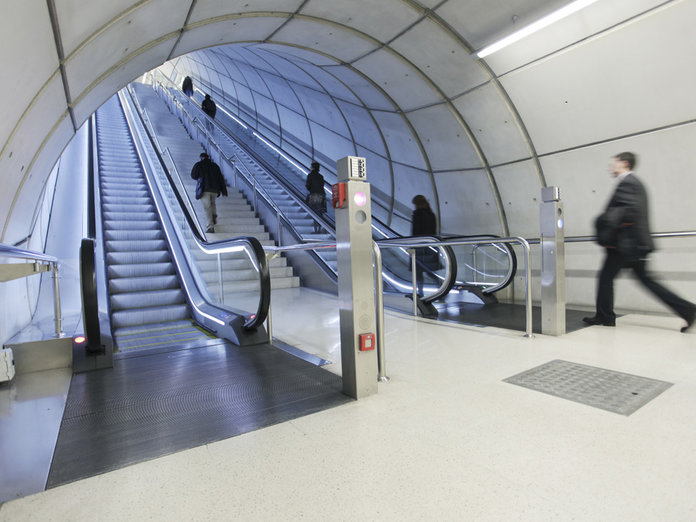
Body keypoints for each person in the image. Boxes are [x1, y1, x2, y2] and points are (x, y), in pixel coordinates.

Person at [584, 152, 695, 332]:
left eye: (614, 164)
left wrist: (602, 222)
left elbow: (624, 212)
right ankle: (688, 310)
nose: (611, 167)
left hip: (625, 245)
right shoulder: (635, 184)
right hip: (633, 245)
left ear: (625, 164)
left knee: (606, 278)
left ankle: (605, 316)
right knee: (646, 281)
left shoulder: (628, 183)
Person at [190, 152, 228, 233]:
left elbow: (193, 175)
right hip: (215, 190)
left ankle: (210, 227)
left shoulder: (199, 165)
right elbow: (220, 179)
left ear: (201, 158)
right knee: (212, 203)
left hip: (204, 189)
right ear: (208, 157)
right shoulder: (215, 166)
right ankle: (213, 215)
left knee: (207, 208)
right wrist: (224, 191)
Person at [411, 195, 438, 296]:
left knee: (418, 271)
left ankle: (420, 292)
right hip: (430, 246)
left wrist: (411, 245)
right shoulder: (431, 214)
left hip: (418, 246)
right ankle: (440, 288)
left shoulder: (417, 215)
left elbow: (415, 232)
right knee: (429, 270)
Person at [305, 162, 326, 233]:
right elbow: (322, 185)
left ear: (313, 168)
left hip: (314, 195)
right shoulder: (321, 176)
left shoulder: (310, 175)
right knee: (320, 213)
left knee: (314, 213)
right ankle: (320, 229)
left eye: (311, 167)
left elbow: (308, 186)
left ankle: (316, 230)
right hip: (321, 196)